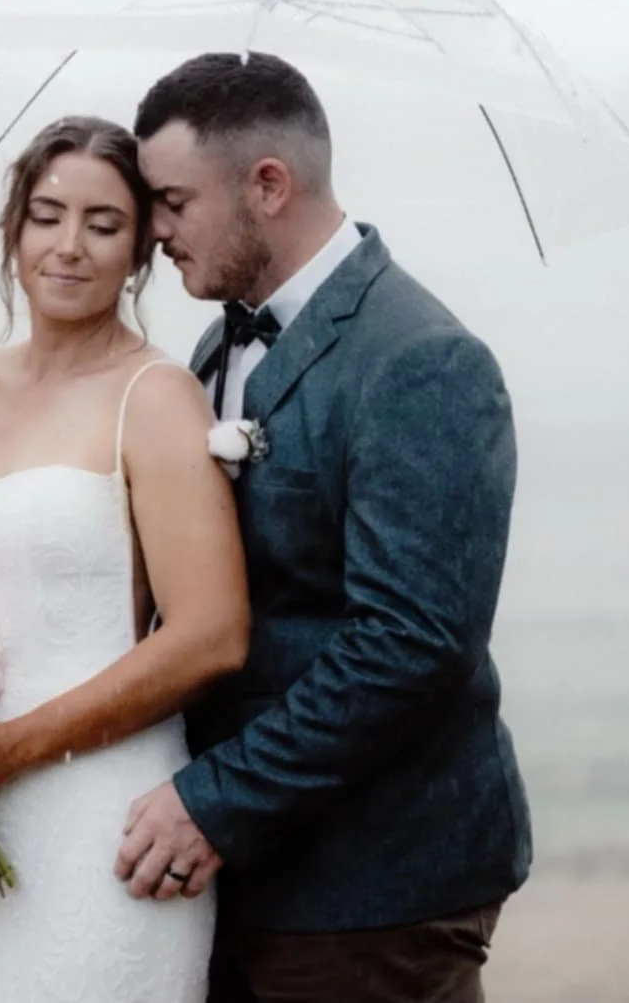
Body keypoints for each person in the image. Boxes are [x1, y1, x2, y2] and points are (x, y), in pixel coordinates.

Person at [119, 52, 531, 1003]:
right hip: (253, 873)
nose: (156, 231)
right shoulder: (221, 339)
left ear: (268, 183)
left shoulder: (423, 359)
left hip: (373, 884)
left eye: (173, 201)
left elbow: (411, 643)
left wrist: (212, 802)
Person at [0, 115, 251, 1003]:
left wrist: (10, 748)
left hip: (102, 815)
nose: (70, 246)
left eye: (103, 224)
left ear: (139, 251)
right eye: (48, 215)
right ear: (13, 228)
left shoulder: (155, 396)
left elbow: (211, 634)